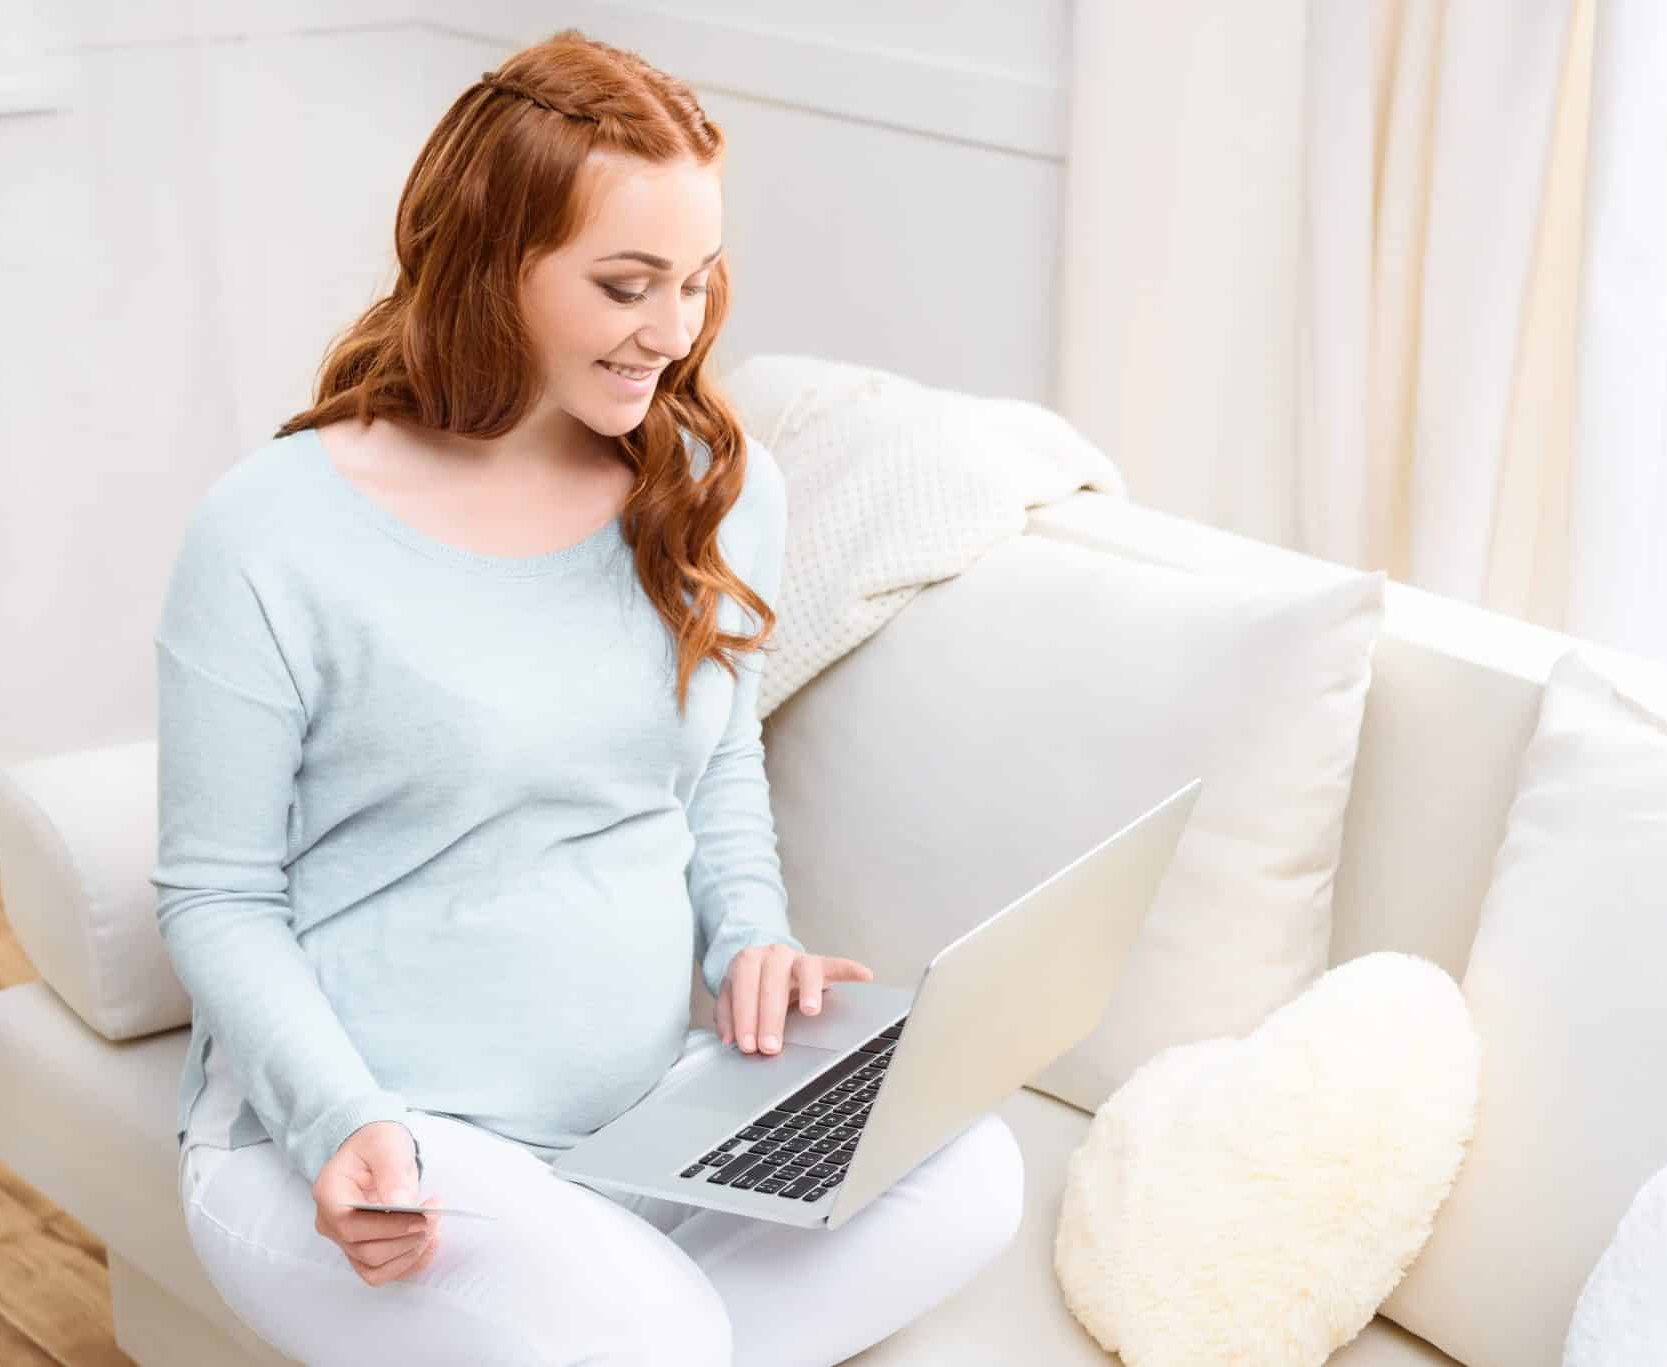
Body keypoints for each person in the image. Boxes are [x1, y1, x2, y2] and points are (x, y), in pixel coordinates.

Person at [152, 27, 1023, 1367]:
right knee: (649, 1331)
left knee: (970, 1163)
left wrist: (750, 945)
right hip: (366, 1145)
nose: (672, 334)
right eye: (627, 285)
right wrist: (341, 1126)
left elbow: (718, 759)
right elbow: (216, 896)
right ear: (494, 266)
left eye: (696, 281)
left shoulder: (709, 482)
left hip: (638, 1124)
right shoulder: (270, 531)